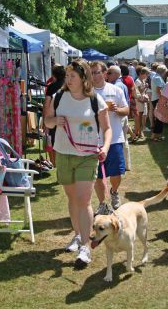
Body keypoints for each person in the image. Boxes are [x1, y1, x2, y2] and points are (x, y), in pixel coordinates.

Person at [44, 59, 112, 268]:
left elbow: (107, 129)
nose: (68, 79)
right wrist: (55, 122)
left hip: (87, 156)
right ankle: (77, 235)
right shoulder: (59, 97)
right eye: (68, 75)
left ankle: (85, 245)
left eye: (73, 76)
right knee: (72, 198)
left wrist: (105, 148)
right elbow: (46, 121)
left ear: (84, 78)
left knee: (83, 200)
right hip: (64, 154)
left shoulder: (95, 100)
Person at [90, 61, 129, 213]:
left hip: (115, 138)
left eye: (97, 72)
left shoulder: (116, 90)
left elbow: (126, 110)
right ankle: (102, 204)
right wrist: (102, 108)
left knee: (117, 173)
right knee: (97, 175)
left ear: (105, 73)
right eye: (92, 73)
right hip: (93, 140)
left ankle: (114, 191)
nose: (94, 75)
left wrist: (116, 109)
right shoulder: (87, 92)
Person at [106, 65, 131, 171]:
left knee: (119, 141)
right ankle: (126, 165)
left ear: (116, 74)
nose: (107, 75)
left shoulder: (116, 86)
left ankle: (122, 164)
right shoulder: (122, 85)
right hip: (123, 115)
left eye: (109, 73)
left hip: (119, 116)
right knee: (124, 141)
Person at [43, 64, 66, 166]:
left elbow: (47, 104)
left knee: (54, 141)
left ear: (53, 75)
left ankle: (56, 163)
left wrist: (45, 120)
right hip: (66, 117)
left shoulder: (52, 86)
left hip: (54, 118)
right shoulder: (69, 85)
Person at [151, 64, 168, 141]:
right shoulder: (158, 77)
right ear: (163, 71)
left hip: (156, 99)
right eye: (165, 72)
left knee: (159, 119)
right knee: (159, 119)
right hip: (158, 99)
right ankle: (154, 136)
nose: (165, 73)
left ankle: (157, 136)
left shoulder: (156, 77)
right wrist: (162, 100)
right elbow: (159, 90)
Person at [135, 67, 150, 138]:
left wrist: (145, 88)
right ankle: (139, 132)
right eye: (146, 74)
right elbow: (138, 92)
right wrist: (145, 87)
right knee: (139, 118)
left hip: (142, 100)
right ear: (142, 74)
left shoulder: (142, 80)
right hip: (139, 101)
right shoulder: (137, 81)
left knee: (141, 117)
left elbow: (143, 91)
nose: (147, 76)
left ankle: (138, 132)